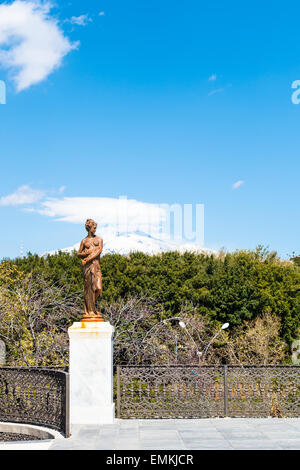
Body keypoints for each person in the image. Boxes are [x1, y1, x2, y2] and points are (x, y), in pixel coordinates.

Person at [77, 219, 103, 320]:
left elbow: (99, 251)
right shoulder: (84, 241)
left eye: (96, 228)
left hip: (96, 266)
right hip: (87, 267)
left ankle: (91, 306)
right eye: (93, 227)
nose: (95, 229)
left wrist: (88, 257)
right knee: (89, 289)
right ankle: (90, 310)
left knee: (98, 288)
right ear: (89, 228)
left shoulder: (99, 239)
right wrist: (88, 252)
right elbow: (79, 254)